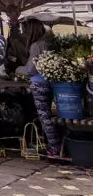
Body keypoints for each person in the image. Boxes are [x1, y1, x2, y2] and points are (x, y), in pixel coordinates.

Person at [16, 18, 61, 155]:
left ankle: (54, 147)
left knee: (44, 116)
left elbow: (31, 69)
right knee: (52, 114)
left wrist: (19, 69)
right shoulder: (50, 43)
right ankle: (56, 143)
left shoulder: (36, 45)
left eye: (25, 30)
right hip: (52, 83)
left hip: (39, 83)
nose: (23, 33)